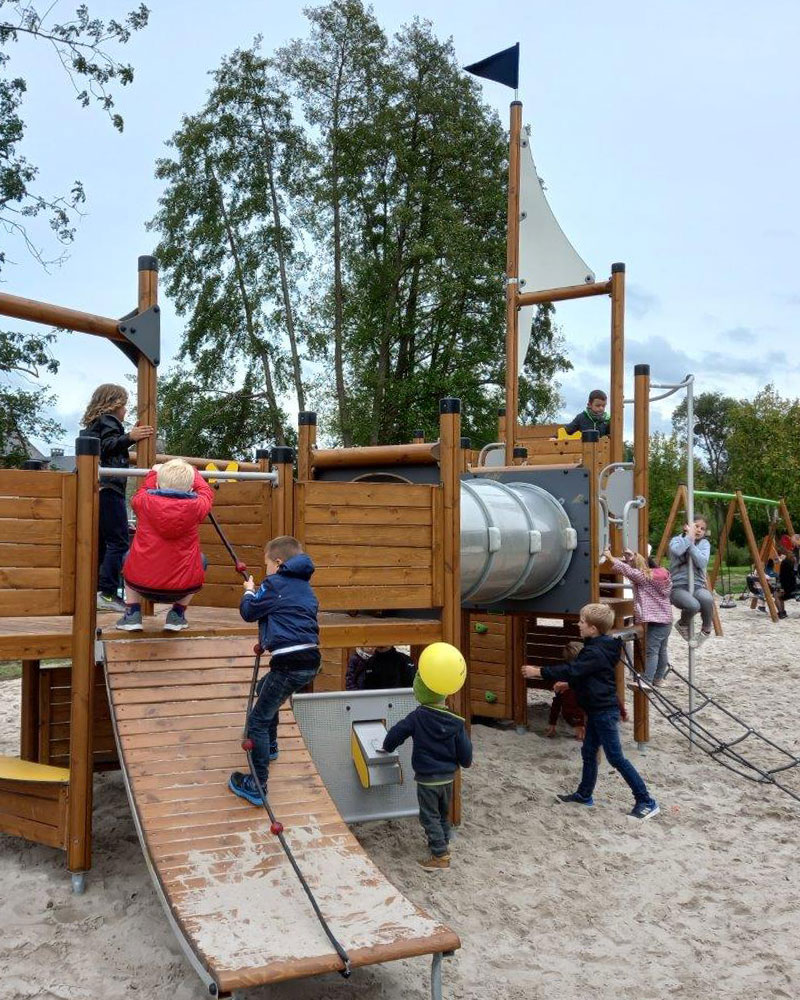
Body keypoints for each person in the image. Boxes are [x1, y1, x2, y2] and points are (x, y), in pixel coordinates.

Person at [522, 602, 659, 820]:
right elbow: (589, 675)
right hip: (595, 710)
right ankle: (584, 795)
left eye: (582, 622)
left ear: (593, 628)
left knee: (616, 758)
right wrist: (569, 685)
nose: (578, 624)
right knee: (588, 752)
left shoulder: (595, 651)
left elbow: (573, 669)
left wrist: (539, 671)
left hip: (604, 712)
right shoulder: (598, 645)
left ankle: (646, 800)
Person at [229, 535, 320, 806]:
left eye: (267, 563)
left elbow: (249, 611)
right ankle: (269, 746)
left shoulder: (274, 584)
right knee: (264, 690)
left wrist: (249, 589)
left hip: (288, 663)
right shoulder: (305, 588)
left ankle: (257, 785)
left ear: (278, 563)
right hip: (311, 660)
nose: (266, 568)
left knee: (257, 720)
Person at [382, 670, 472, 871]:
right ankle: (444, 842)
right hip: (448, 777)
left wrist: (387, 746)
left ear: (420, 692)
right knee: (442, 812)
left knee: (428, 815)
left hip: (427, 779)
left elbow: (397, 733)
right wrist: (463, 762)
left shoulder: (418, 717)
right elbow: (466, 754)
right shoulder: (456, 721)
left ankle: (440, 855)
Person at [115, 459, 213, 632]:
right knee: (201, 560)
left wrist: (154, 472)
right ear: (191, 487)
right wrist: (193, 472)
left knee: (128, 556)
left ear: (158, 483)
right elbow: (206, 491)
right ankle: (177, 614)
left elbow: (144, 489)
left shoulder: (143, 501)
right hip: (182, 588)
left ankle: (132, 613)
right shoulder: (197, 506)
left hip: (141, 585)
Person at [82, 383, 153, 613]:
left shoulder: (97, 424)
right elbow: (107, 446)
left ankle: (98, 592)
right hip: (109, 488)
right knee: (119, 541)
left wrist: (126, 436)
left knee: (104, 543)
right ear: (115, 404)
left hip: (99, 489)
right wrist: (129, 437)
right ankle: (108, 593)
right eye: (125, 406)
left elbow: (107, 444)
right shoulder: (108, 421)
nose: (125, 411)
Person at [605, 547, 672, 688]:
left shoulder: (644, 577)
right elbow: (631, 569)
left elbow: (628, 571)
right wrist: (631, 556)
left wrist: (610, 557)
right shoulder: (659, 575)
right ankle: (658, 678)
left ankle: (647, 680)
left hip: (656, 621)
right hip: (666, 619)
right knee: (662, 649)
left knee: (652, 651)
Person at [668, 517, 714, 645]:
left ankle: (706, 630)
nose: (699, 530)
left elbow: (702, 562)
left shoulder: (704, 544)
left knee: (707, 599)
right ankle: (682, 624)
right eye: (696, 526)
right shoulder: (676, 540)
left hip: (697, 586)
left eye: (702, 528)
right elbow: (677, 551)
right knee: (693, 605)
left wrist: (691, 544)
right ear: (686, 527)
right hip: (678, 587)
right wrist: (689, 538)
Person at [545, 640, 586, 739]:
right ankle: (581, 730)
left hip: (570, 715)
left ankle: (581, 729)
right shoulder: (583, 675)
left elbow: (557, 702)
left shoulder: (562, 676)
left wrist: (552, 723)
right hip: (577, 715)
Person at [346, 645, 415, 690]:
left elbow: (412, 685)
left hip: (398, 703)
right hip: (374, 705)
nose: (382, 644)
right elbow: (364, 686)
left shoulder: (404, 660)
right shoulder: (369, 662)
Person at [777, 552, 797, 619]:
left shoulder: (785, 563)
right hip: (792, 585)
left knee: (777, 597)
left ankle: (781, 612)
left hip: (786, 585)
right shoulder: (791, 564)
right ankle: (783, 612)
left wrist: (781, 586)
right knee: (781, 597)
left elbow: (782, 575)